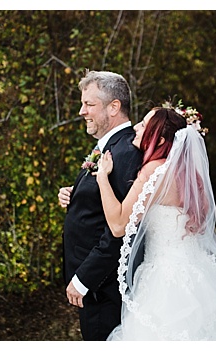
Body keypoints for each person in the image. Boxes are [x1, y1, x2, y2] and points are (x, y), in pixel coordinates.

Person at [94, 105, 216, 340]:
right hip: (200, 275)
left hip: (165, 281)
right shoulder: (187, 174)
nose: (137, 128)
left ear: (159, 140)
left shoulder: (153, 170)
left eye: (144, 126)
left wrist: (102, 178)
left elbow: (119, 225)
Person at [57, 70, 143, 340]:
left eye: (89, 104)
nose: (82, 111)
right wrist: (77, 195)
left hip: (103, 288)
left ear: (114, 107)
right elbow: (102, 203)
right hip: (96, 286)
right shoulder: (108, 147)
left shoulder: (126, 151)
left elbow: (121, 228)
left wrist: (85, 279)